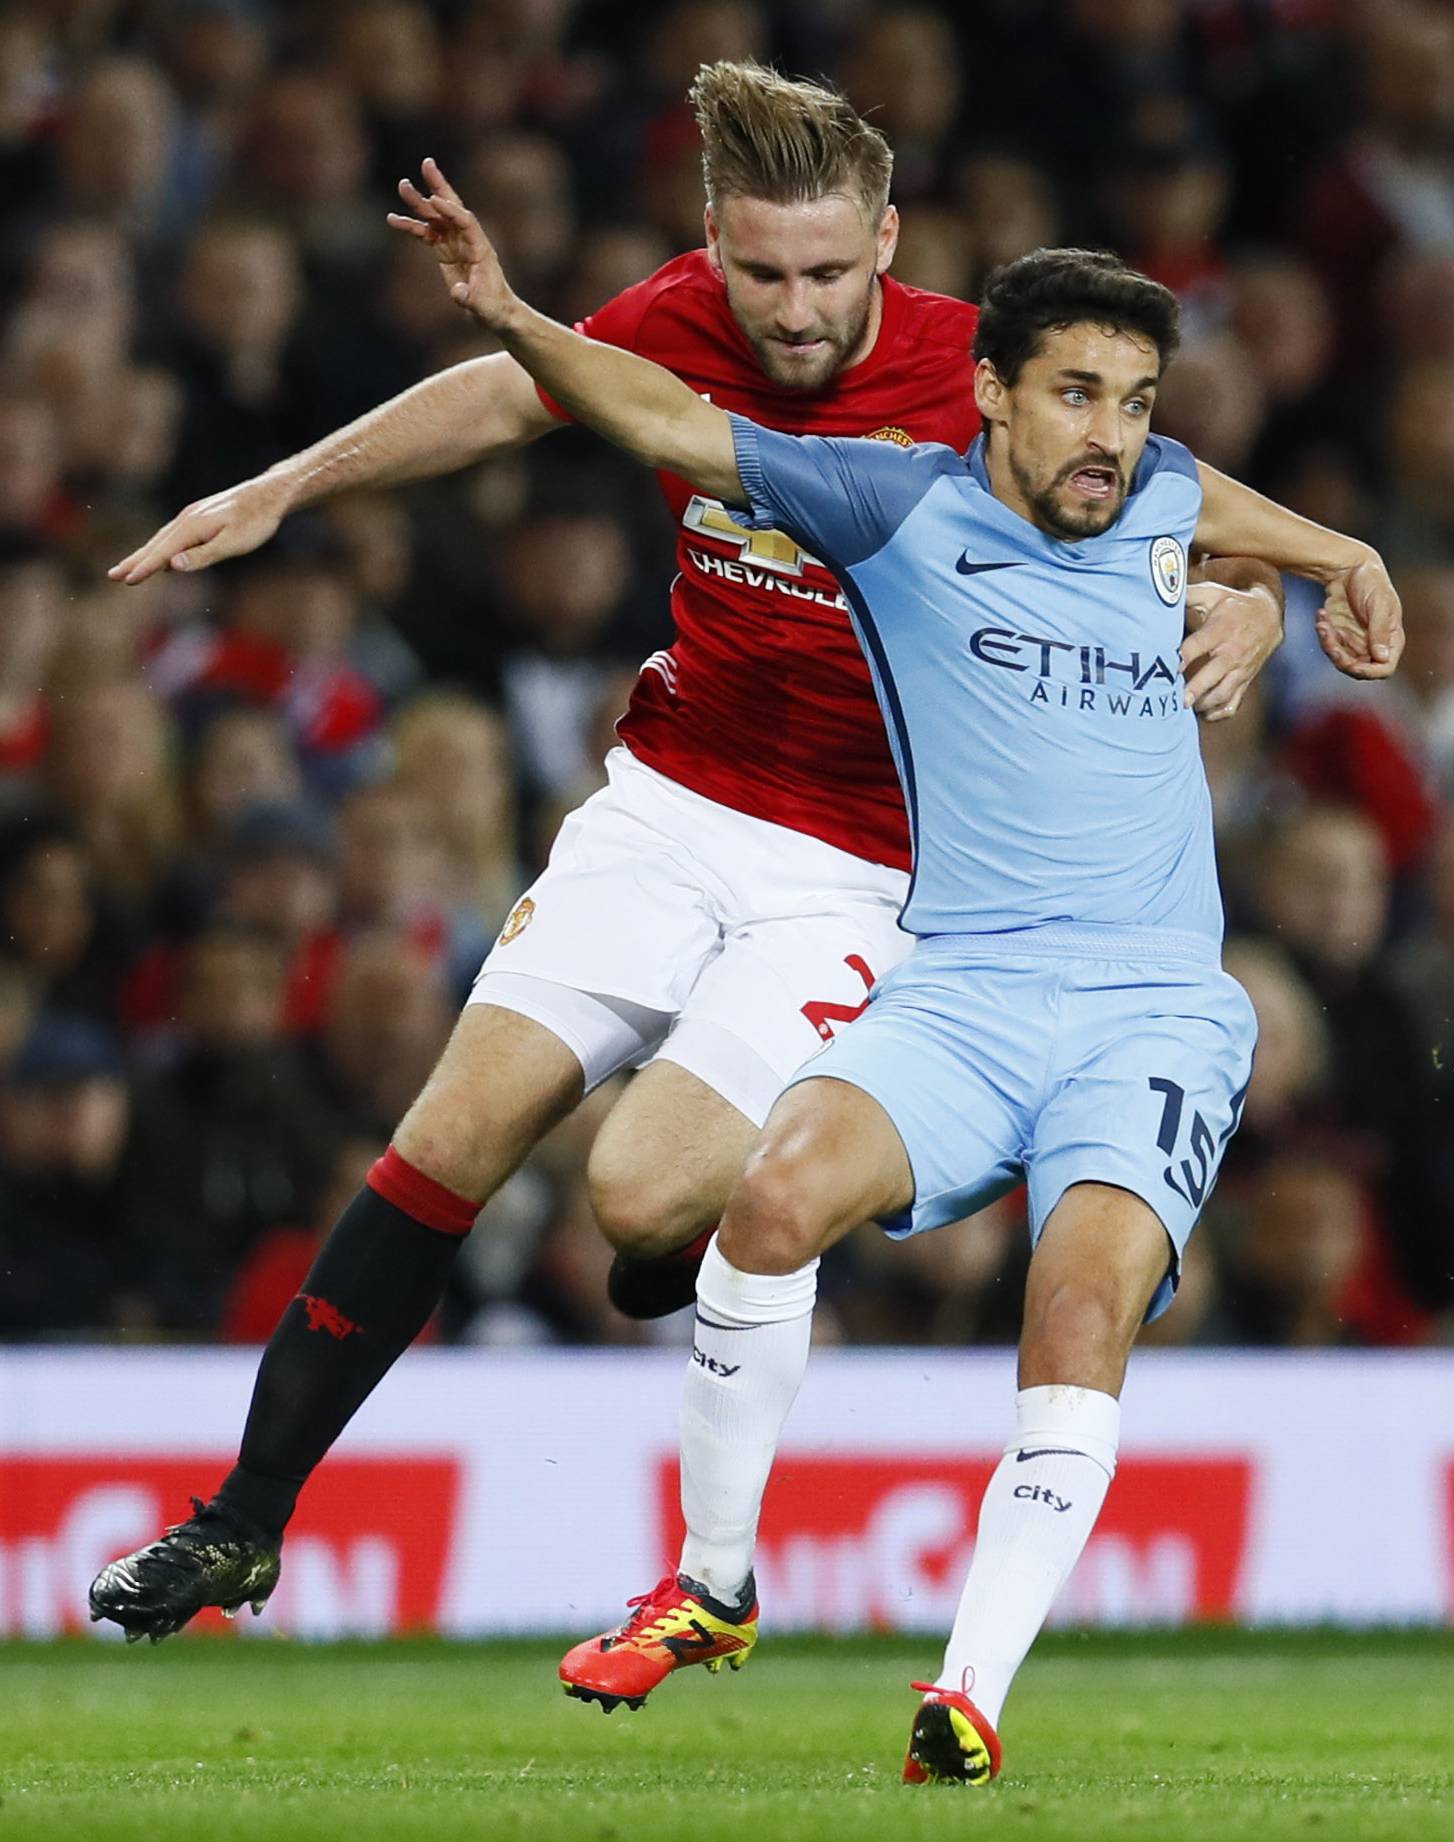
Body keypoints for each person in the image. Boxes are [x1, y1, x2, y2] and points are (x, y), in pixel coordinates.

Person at [87, 63, 1282, 1643]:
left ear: (890, 243)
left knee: (635, 1200)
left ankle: (684, 1245)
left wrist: (1254, 594)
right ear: (715, 242)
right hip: (672, 797)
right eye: (762, 272)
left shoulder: (979, 375)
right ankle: (241, 1522)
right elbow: (516, 390)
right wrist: (279, 486)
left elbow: (1158, 500)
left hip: (867, 866)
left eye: (831, 274)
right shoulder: (673, 316)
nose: (794, 312)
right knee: (453, 1128)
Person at [388, 162, 1401, 1777]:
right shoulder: (890, 505)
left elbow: (1256, 525)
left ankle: (970, 1693)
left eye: (1137, 399)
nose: (1112, 434)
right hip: (963, 988)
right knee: (767, 1198)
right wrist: (513, 317)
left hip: (1151, 1007)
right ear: (990, 391)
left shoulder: (1154, 491)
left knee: (1076, 1303)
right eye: (1077, 394)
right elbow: (662, 425)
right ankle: (712, 1585)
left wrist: (1332, 566)